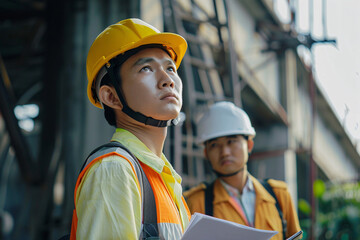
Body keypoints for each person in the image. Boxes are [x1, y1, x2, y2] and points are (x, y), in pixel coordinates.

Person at [69, 18, 190, 239]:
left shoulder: (164, 176)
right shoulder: (115, 170)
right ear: (111, 96)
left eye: (170, 68)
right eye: (146, 68)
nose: (167, 80)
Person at [184, 101, 301, 240]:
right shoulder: (195, 202)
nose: (225, 152)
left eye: (231, 141)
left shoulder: (279, 195)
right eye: (215, 145)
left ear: (249, 145)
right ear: (206, 153)